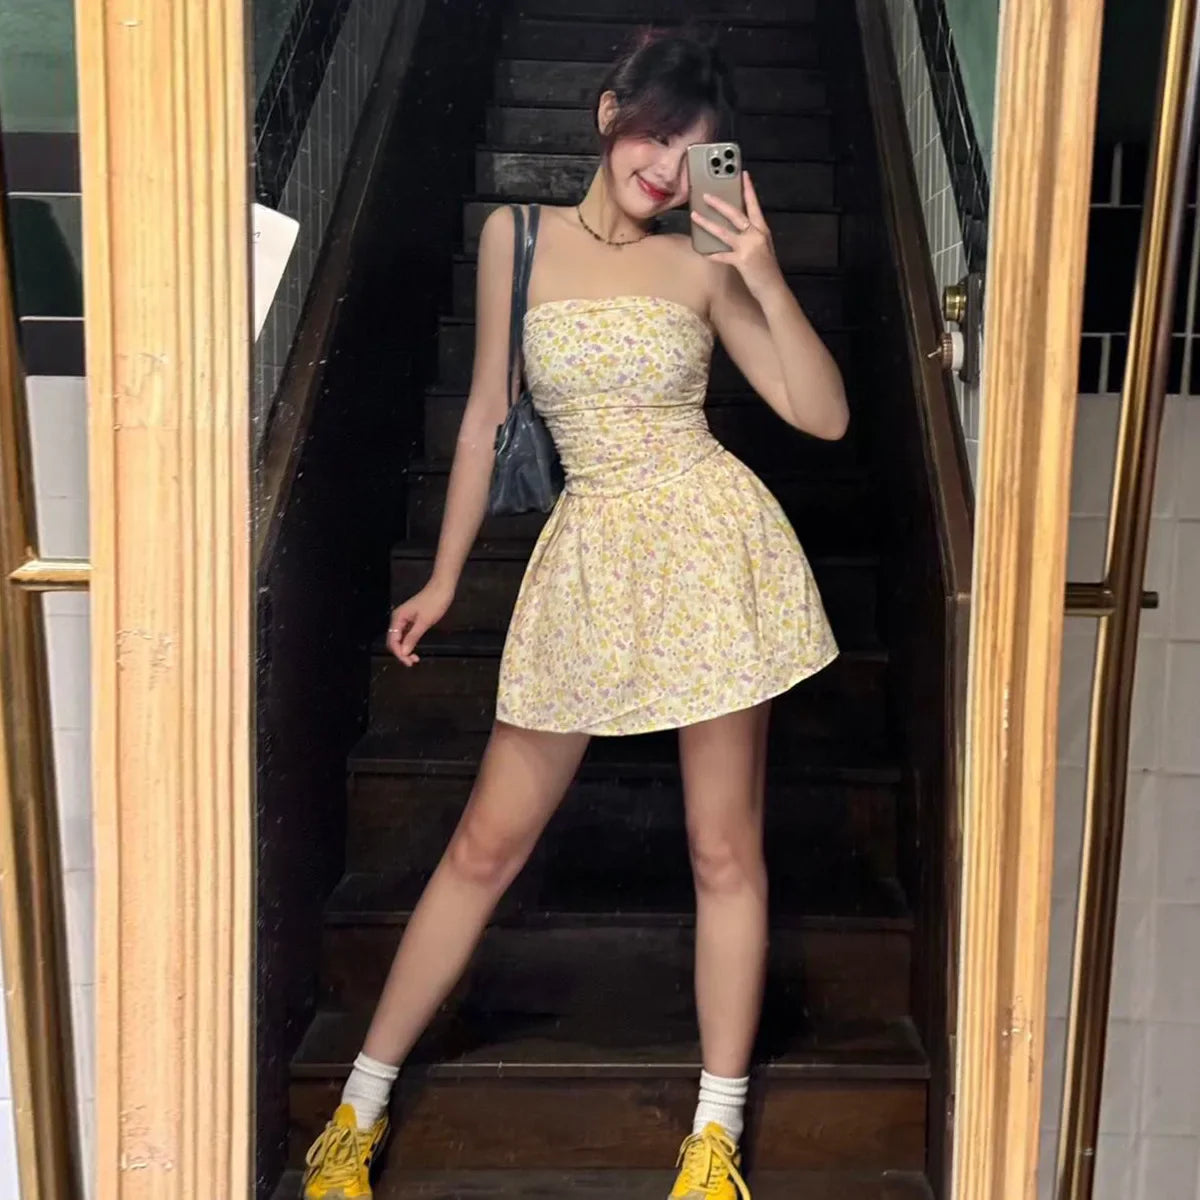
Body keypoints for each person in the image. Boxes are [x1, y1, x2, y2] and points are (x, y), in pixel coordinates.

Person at [301, 26, 848, 1200]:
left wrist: (761, 271)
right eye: (657, 134)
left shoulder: (701, 265)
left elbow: (823, 416)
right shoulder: (516, 235)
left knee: (723, 850)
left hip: (708, 547)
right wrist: (446, 578)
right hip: (590, 552)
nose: (667, 167)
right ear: (609, 114)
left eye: (697, 151)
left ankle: (713, 1139)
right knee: (483, 845)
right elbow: (484, 418)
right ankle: (358, 1109)